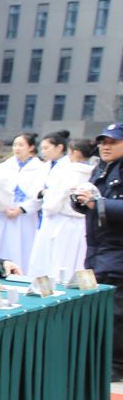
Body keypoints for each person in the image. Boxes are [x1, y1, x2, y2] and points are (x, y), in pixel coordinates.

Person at [74, 122, 123, 382]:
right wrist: (81, 201)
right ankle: (102, 360)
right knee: (101, 305)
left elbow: (105, 205)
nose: (106, 146)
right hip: (97, 248)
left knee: (116, 311)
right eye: (103, 141)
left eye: (113, 142)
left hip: (117, 250)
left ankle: (115, 365)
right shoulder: (101, 168)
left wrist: (98, 203)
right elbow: (93, 206)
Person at [28, 138, 95, 279]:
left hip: (62, 222)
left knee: (58, 261)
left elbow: (53, 202)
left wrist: (47, 207)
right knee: (76, 261)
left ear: (74, 152)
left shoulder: (67, 171)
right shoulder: (94, 172)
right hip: (83, 223)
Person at [0, 131, 46, 272]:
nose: (17, 148)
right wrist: (4, 206)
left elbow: (39, 195)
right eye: (15, 145)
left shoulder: (40, 168)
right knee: (2, 245)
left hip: (26, 216)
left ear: (31, 147)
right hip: (5, 212)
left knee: (24, 246)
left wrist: (21, 209)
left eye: (21, 145)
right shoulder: (5, 166)